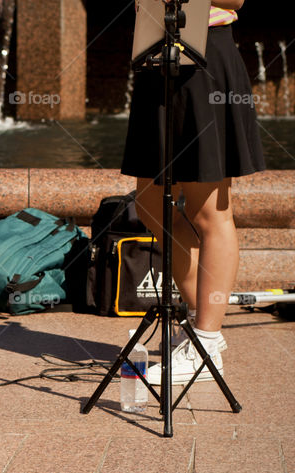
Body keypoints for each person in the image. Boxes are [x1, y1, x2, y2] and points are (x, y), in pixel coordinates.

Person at [121, 0, 265, 385]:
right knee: (150, 203)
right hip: (156, 51)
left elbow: (235, 0)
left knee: (210, 214)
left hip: (204, 53)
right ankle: (202, 331)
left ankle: (206, 338)